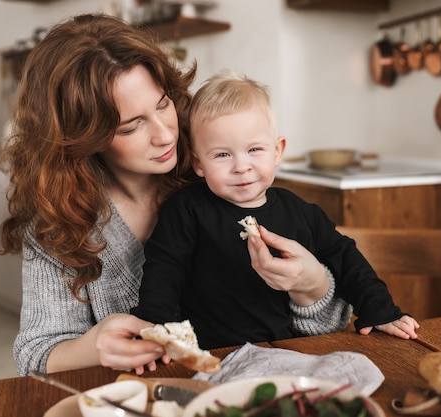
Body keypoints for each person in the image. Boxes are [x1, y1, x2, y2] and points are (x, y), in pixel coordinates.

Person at [0, 14, 350, 377]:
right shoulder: (60, 222)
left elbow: (330, 331)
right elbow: (35, 355)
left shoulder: (221, 169)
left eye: (163, 105)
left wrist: (312, 287)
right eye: (132, 126)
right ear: (83, 138)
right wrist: (92, 347)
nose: (166, 135)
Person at [131, 70, 419, 349]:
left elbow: (346, 258)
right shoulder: (187, 209)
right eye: (222, 155)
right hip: (213, 352)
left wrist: (380, 309)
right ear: (198, 164)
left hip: (288, 347)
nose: (241, 166)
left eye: (254, 150)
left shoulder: (301, 212)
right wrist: (157, 328)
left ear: (277, 150)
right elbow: (164, 269)